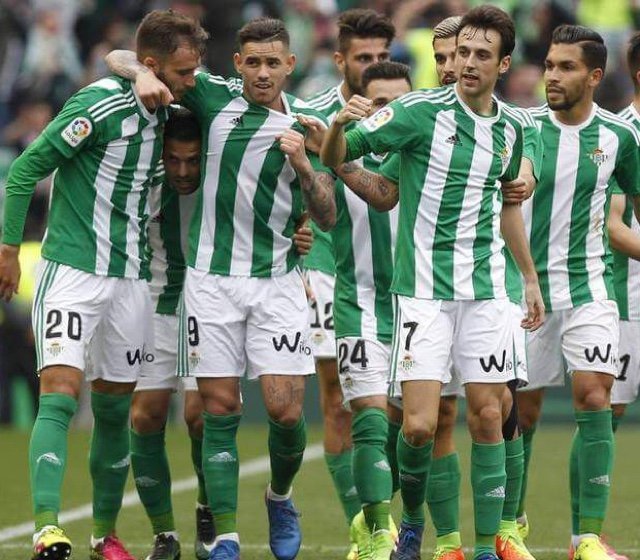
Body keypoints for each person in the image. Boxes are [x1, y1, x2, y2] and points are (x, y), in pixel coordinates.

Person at [106, 16, 336, 560]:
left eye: (272, 63)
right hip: (210, 283)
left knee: (285, 411)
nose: (262, 73)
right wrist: (142, 74)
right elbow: (120, 57)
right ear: (237, 64)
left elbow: (326, 215)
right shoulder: (215, 97)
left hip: (278, 282)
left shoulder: (309, 123)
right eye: (252, 62)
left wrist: (304, 166)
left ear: (290, 65)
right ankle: (225, 536)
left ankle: (280, 496)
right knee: (217, 406)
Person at [321, 6, 544, 560]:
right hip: (422, 294)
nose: (467, 63)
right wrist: (338, 128)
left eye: (481, 54)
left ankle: (485, 548)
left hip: (487, 292)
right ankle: (411, 524)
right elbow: (341, 156)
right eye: (462, 52)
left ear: (503, 64)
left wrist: (529, 278)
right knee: (419, 427)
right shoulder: (418, 112)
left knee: (490, 414)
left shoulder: (513, 128)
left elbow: (508, 207)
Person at [0, 10, 207, 560]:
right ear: (153, 65)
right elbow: (24, 171)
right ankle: (47, 528)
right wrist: (8, 251)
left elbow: (127, 60)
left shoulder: (175, 115)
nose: (192, 81)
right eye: (184, 72)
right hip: (72, 272)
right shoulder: (96, 107)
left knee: (114, 412)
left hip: (133, 282)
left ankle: (103, 535)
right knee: (60, 393)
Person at [516, 25, 640, 560]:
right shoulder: (522, 129)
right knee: (521, 413)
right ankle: (510, 524)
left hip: (591, 288)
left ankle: (585, 538)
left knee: (595, 398)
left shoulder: (618, 137)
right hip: (527, 292)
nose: (552, 75)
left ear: (593, 76)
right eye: (549, 65)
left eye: (566, 67)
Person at [303, 8, 395, 558]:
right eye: (363, 57)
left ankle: (391, 514)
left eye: (382, 55)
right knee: (339, 401)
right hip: (326, 270)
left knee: (401, 410)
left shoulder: (403, 108)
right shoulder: (314, 115)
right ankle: (363, 527)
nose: (372, 65)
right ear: (340, 60)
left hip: (394, 276)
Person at [326, 60, 412, 559]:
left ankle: (369, 514)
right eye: (380, 103)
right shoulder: (336, 149)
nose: (389, 112)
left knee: (413, 430)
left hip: (418, 306)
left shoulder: (424, 147)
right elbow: (312, 207)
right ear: (361, 106)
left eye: (399, 103)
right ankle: (380, 533)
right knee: (370, 419)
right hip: (357, 304)